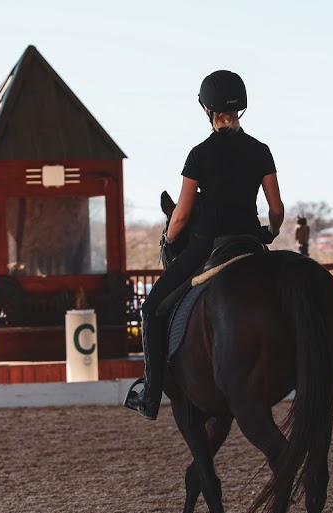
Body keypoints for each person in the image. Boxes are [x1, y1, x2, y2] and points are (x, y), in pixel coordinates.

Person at [124, 70, 285, 420]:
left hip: (207, 245)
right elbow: (276, 209)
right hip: (249, 242)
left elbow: (180, 215)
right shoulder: (261, 150)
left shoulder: (199, 153)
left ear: (206, 109)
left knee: (151, 310)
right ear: (241, 107)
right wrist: (269, 232)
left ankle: (150, 394)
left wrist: (169, 238)